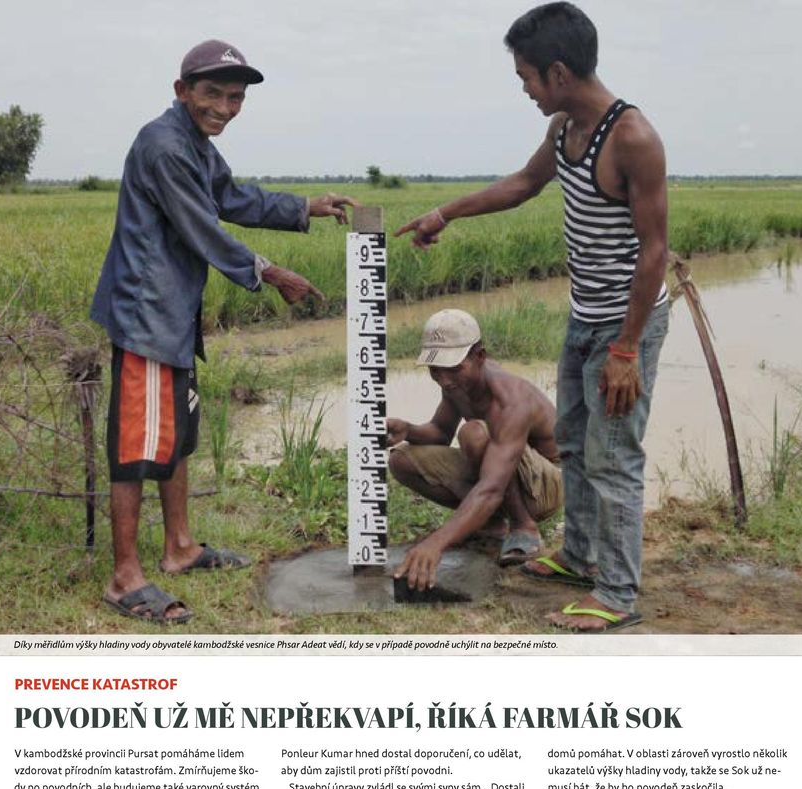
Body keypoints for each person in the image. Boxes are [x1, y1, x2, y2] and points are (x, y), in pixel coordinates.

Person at [395, 3, 669, 632]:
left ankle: (618, 594)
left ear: (559, 72)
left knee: (613, 454)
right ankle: (578, 556)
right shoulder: (562, 130)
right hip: (584, 316)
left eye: (526, 77)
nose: (523, 88)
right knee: (573, 442)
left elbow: (654, 251)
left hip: (627, 323)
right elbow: (523, 184)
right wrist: (446, 212)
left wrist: (627, 348)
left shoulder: (632, 138)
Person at [91, 39, 356, 623]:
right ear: (182, 90)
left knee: (178, 434)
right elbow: (201, 228)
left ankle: (181, 547)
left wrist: (304, 206)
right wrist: (268, 272)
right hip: (146, 315)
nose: (225, 107)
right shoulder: (164, 146)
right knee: (138, 446)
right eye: (212, 93)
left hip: (173, 314)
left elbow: (230, 197)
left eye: (235, 98)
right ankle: (124, 576)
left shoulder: (196, 144)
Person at [390, 309, 562, 592]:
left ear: (479, 356)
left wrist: (436, 543)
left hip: (546, 486)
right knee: (402, 461)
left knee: (473, 434)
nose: (444, 380)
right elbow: (440, 432)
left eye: (453, 368)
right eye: (436, 370)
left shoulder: (511, 399)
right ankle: (491, 523)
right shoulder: (457, 381)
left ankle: (523, 527)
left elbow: (492, 488)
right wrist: (408, 430)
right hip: (501, 473)